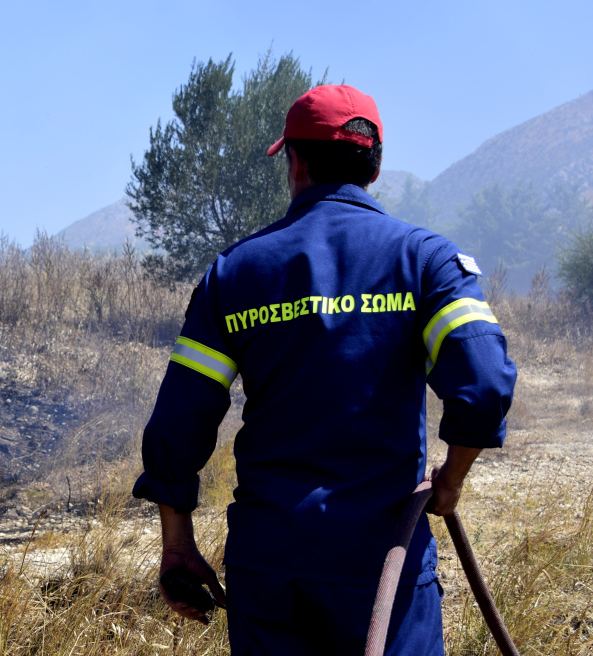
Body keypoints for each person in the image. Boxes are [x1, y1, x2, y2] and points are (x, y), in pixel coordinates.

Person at [132, 85, 517, 655]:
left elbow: (179, 422)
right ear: (376, 167)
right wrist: (450, 482)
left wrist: (177, 541)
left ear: (296, 162)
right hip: (382, 558)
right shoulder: (426, 261)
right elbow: (483, 386)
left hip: (270, 567)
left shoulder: (234, 274)